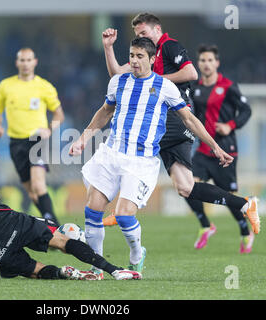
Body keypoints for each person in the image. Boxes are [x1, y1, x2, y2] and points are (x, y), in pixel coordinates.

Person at [69, 37, 234, 280]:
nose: (134, 61)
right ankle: (96, 267)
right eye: (132, 55)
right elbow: (104, 112)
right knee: (92, 211)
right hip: (111, 154)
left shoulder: (165, 87)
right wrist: (83, 138)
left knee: (125, 215)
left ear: (152, 59)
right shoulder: (118, 82)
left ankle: (137, 255)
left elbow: (189, 120)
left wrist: (215, 147)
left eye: (139, 57)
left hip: (141, 160)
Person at [100, 13, 260, 239]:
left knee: (132, 145)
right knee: (185, 187)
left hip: (174, 117)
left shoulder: (169, 46)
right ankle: (245, 204)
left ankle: (124, 210)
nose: (141, 38)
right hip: (169, 123)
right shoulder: (144, 56)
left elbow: (191, 73)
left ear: (157, 30)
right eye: (137, 35)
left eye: (144, 33)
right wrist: (108, 48)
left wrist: (157, 81)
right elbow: (116, 74)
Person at [0, 136, 142, 281]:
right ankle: (115, 270)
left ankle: (63, 273)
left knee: (34, 271)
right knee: (62, 239)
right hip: (1, 220)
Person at [186, 44, 255, 253]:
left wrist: (230, 125)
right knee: (188, 187)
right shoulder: (196, 88)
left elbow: (246, 110)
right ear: (198, 63)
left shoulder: (228, 86)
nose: (206, 64)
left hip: (226, 149)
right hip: (203, 150)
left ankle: (245, 230)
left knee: (229, 196)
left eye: (210, 60)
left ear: (217, 63)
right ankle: (206, 225)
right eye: (202, 60)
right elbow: (194, 117)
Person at [0, 48, 64, 225]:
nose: (25, 64)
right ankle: (53, 227)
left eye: (28, 60)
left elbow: (59, 115)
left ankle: (54, 228)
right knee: (31, 192)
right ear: (17, 63)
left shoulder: (44, 87)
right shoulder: (6, 86)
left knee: (39, 185)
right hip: (15, 142)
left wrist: (50, 128)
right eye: (22, 60)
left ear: (35, 62)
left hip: (36, 139)